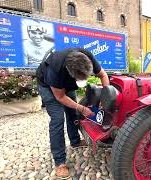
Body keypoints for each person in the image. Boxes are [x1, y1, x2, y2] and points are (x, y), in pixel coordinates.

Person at [36, 48, 109, 179]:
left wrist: (105, 97)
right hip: (48, 86)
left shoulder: (87, 57)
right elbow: (60, 97)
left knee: (72, 113)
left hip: (66, 84)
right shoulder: (54, 70)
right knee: (57, 120)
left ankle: (75, 141)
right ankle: (59, 162)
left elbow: (103, 75)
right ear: (70, 73)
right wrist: (81, 108)